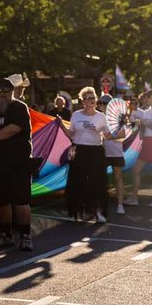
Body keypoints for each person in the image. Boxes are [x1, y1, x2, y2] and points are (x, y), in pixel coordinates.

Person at [0, 77, 34, 250]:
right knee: (0, 201)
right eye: (0, 91)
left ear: (13, 92)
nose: (3, 94)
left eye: (7, 91)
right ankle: (5, 236)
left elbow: (12, 130)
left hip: (18, 163)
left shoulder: (19, 108)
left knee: (21, 201)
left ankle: (26, 236)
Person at [59, 87, 113, 223]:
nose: (92, 100)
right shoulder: (76, 115)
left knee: (97, 182)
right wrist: (61, 125)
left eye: (93, 98)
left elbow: (107, 135)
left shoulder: (101, 116)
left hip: (96, 152)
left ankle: (98, 212)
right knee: (78, 182)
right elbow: (71, 134)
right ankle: (77, 212)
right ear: (83, 101)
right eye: (88, 98)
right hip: (79, 151)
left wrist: (121, 130)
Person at [125, 91, 152, 208]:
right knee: (136, 170)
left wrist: (146, 124)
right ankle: (134, 197)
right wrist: (138, 122)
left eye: (148, 97)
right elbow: (135, 122)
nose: (146, 99)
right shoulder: (145, 112)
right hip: (147, 143)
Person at [98, 94, 128, 215]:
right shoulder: (98, 117)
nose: (103, 106)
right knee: (101, 179)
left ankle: (120, 204)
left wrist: (110, 137)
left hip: (115, 152)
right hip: (101, 152)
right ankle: (101, 205)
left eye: (105, 103)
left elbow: (123, 134)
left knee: (118, 178)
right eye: (101, 103)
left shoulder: (118, 117)